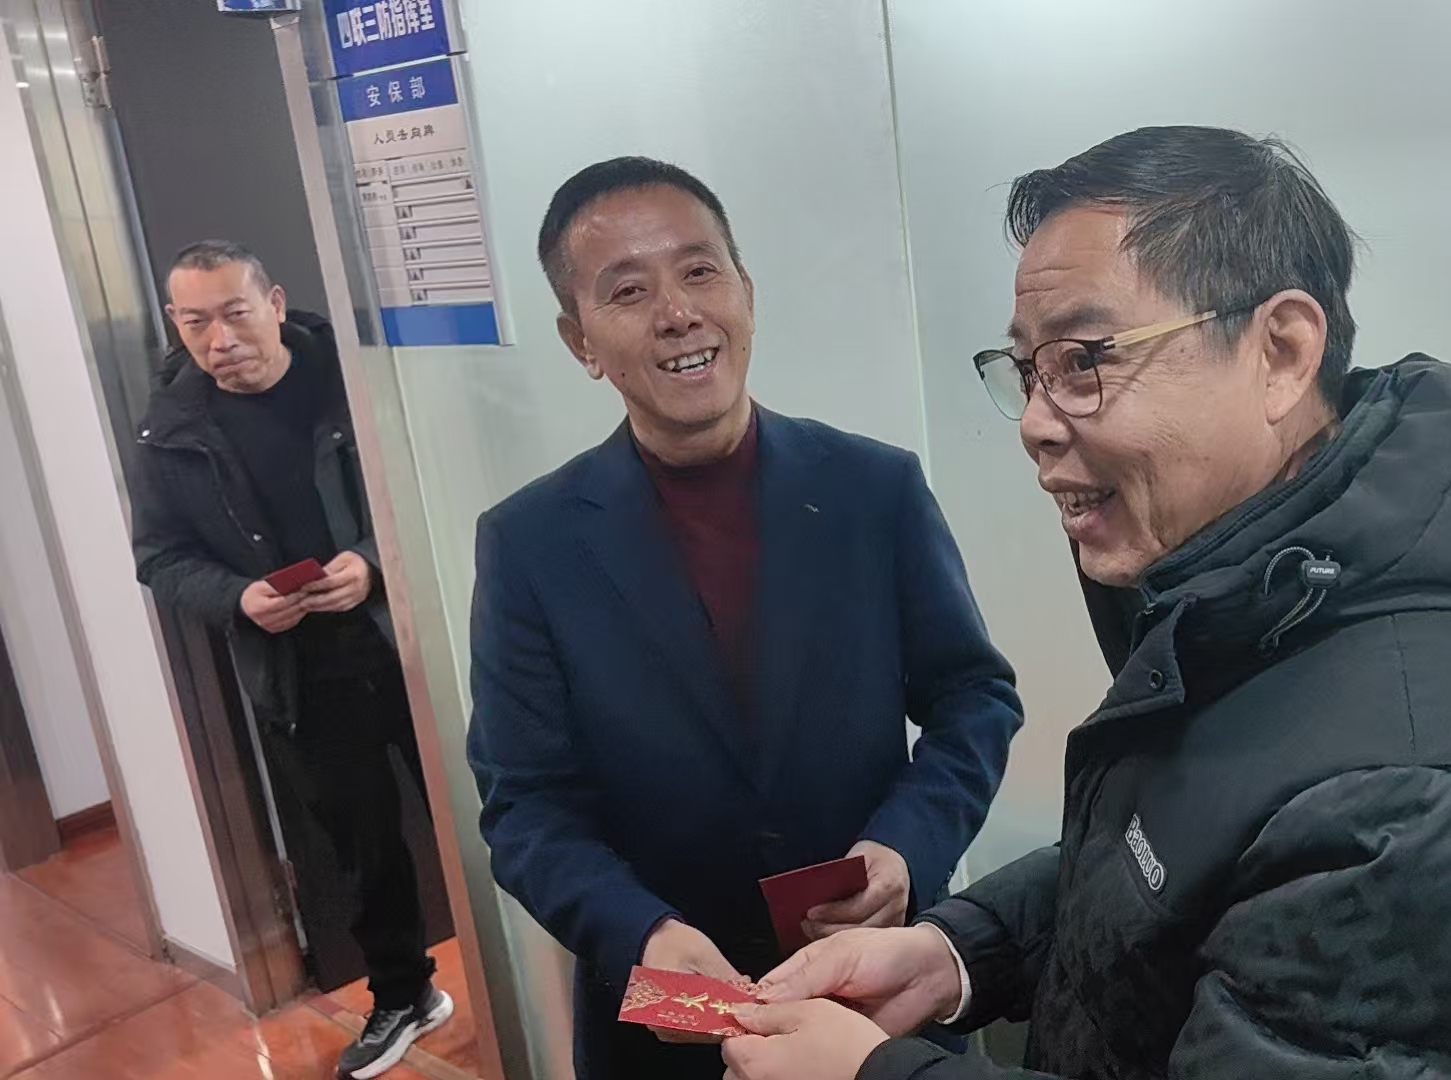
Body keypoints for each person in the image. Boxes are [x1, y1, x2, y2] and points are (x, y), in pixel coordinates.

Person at [721, 125, 1451, 1080]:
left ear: (1280, 352)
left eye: (1083, 360)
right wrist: (960, 953)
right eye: (1027, 370)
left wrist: (874, 1075)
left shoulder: (1414, 802)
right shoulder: (1256, 596)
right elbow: (1169, 866)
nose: (1034, 423)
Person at [465, 156, 1024, 1079]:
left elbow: (974, 699)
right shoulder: (528, 542)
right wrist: (639, 931)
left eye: (699, 270)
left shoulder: (872, 488)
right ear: (580, 342)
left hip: (871, 989)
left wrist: (904, 850)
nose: (677, 312)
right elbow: (527, 805)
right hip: (667, 1024)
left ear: (746, 293)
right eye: (628, 290)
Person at [130, 241, 452, 1080]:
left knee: (486, 814)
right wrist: (238, 598)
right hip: (300, 678)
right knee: (361, 853)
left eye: (235, 313)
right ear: (174, 324)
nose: (219, 339)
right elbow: (158, 558)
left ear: (274, 303)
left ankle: (555, 971)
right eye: (195, 322)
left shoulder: (353, 377)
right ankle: (404, 996)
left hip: (411, 648)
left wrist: (371, 562)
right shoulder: (170, 430)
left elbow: (435, 476)